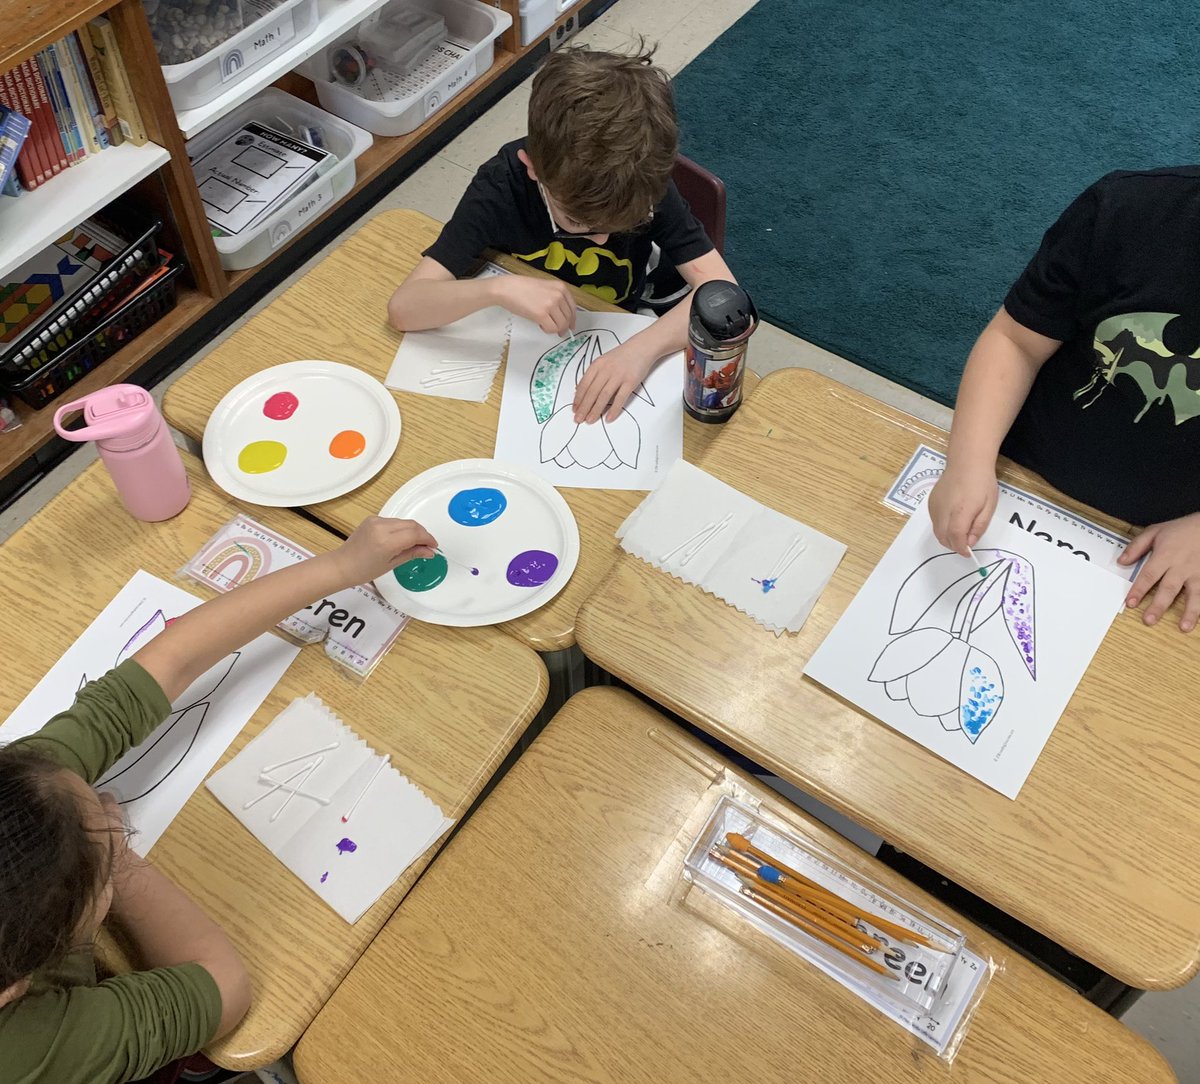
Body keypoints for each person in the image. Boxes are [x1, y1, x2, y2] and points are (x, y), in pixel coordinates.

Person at [0, 516, 437, 1083]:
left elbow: (166, 664)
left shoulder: (22, 801)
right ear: (19, 986)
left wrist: (342, 567)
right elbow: (224, 987)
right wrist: (119, 859)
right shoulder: (30, 1052)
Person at [387, 45, 736, 425]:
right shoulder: (501, 188)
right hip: (517, 351)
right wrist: (497, 290)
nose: (600, 241)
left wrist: (641, 350)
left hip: (618, 322)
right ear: (533, 169)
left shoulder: (642, 184)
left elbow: (723, 292)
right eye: (577, 222)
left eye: (620, 226)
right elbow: (404, 308)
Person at [927, 167, 1200, 632]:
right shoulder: (1125, 211)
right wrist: (968, 463)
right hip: (1024, 474)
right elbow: (1015, 341)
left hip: (1171, 540)